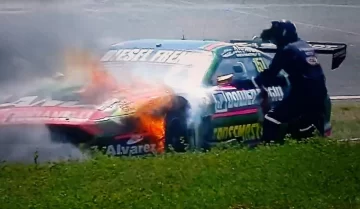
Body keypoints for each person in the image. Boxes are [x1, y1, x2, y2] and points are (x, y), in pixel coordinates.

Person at [252, 20, 329, 144]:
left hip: (303, 94)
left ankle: (269, 148)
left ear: (282, 35)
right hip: (320, 92)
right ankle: (316, 143)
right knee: (307, 125)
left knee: (271, 118)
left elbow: (270, 74)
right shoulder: (305, 45)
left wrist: (255, 81)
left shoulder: (286, 50)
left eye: (275, 37)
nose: (274, 41)